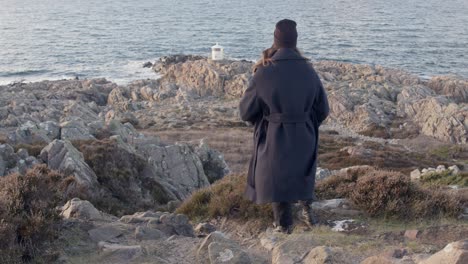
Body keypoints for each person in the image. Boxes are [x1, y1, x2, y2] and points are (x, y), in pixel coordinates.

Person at [239, 19, 330, 234]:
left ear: (276, 40)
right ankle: (308, 212)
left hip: (274, 134)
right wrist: (305, 123)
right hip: (305, 134)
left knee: (277, 176)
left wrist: (265, 121)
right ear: (295, 41)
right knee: (302, 170)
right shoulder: (309, 71)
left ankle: (283, 225)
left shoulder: (263, 72)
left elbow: (245, 111)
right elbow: (323, 110)